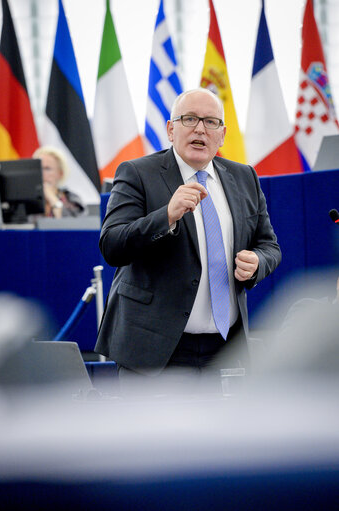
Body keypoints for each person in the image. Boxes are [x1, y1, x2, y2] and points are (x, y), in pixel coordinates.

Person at [95, 88, 281, 393]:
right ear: (170, 129)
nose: (200, 129)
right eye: (189, 119)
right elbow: (112, 245)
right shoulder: (137, 173)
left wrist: (258, 262)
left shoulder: (245, 177)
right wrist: (165, 216)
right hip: (153, 351)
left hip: (224, 351)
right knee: (153, 441)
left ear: (222, 135)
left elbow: (269, 246)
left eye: (210, 122)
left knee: (224, 441)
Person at [33, 146, 86, 218]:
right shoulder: (25, 201)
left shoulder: (72, 200)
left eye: (47, 168)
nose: (41, 173)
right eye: (38, 168)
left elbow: (75, 226)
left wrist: (53, 199)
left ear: (60, 174)